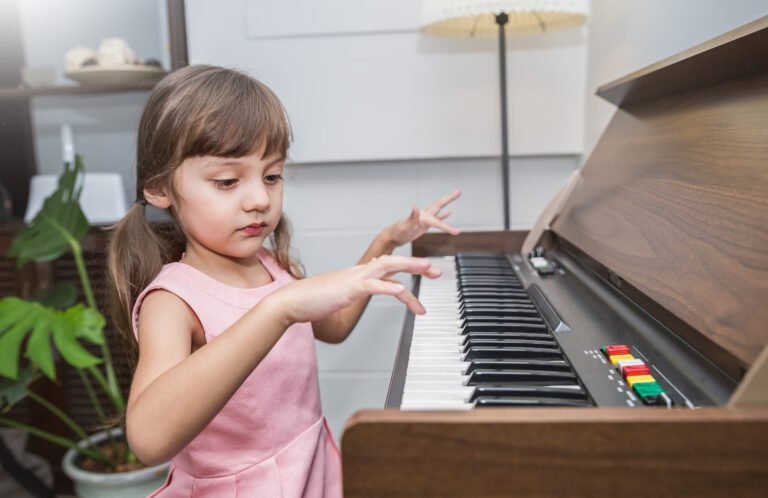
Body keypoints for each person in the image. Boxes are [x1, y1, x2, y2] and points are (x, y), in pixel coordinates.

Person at [106, 64, 461, 497]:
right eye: (227, 181)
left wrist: (386, 242)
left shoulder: (272, 265)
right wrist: (278, 309)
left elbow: (335, 326)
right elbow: (148, 439)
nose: (259, 199)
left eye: (272, 176)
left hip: (311, 476)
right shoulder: (173, 299)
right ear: (161, 188)